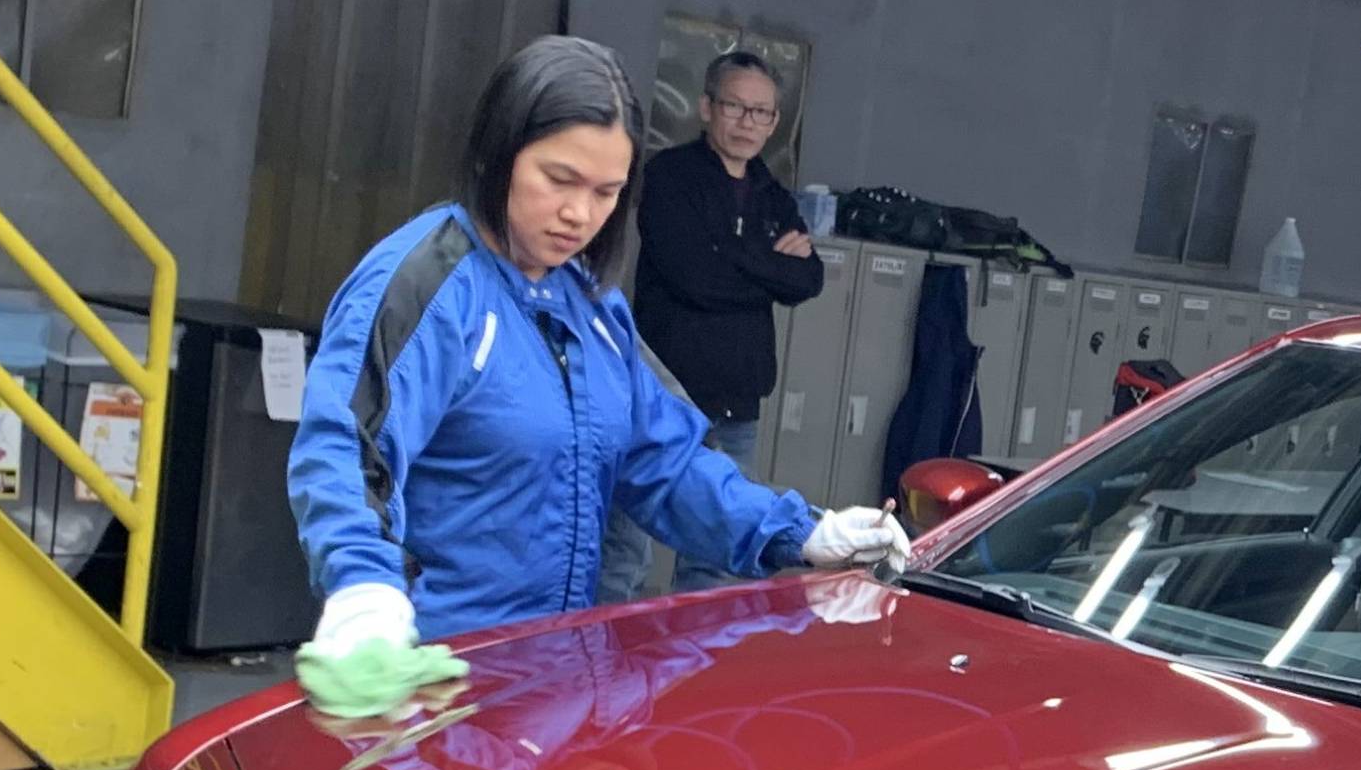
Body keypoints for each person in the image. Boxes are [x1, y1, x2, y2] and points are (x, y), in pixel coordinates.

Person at [287, 35, 902, 709]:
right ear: (499, 153)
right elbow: (348, 449)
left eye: (607, 192)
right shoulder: (427, 284)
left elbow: (664, 460)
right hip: (432, 681)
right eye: (559, 180)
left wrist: (802, 531)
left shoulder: (591, 303)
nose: (580, 215)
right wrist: (364, 592)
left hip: (550, 681)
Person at [625, 48, 827, 594]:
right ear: (707, 107)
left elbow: (808, 280)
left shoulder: (771, 195)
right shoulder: (670, 176)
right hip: (662, 398)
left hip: (737, 404)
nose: (747, 122)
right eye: (735, 107)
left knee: (716, 557)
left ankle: (694, 651)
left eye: (761, 112)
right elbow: (694, 278)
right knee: (625, 554)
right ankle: (603, 648)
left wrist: (730, 253)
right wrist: (768, 264)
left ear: (775, 122)